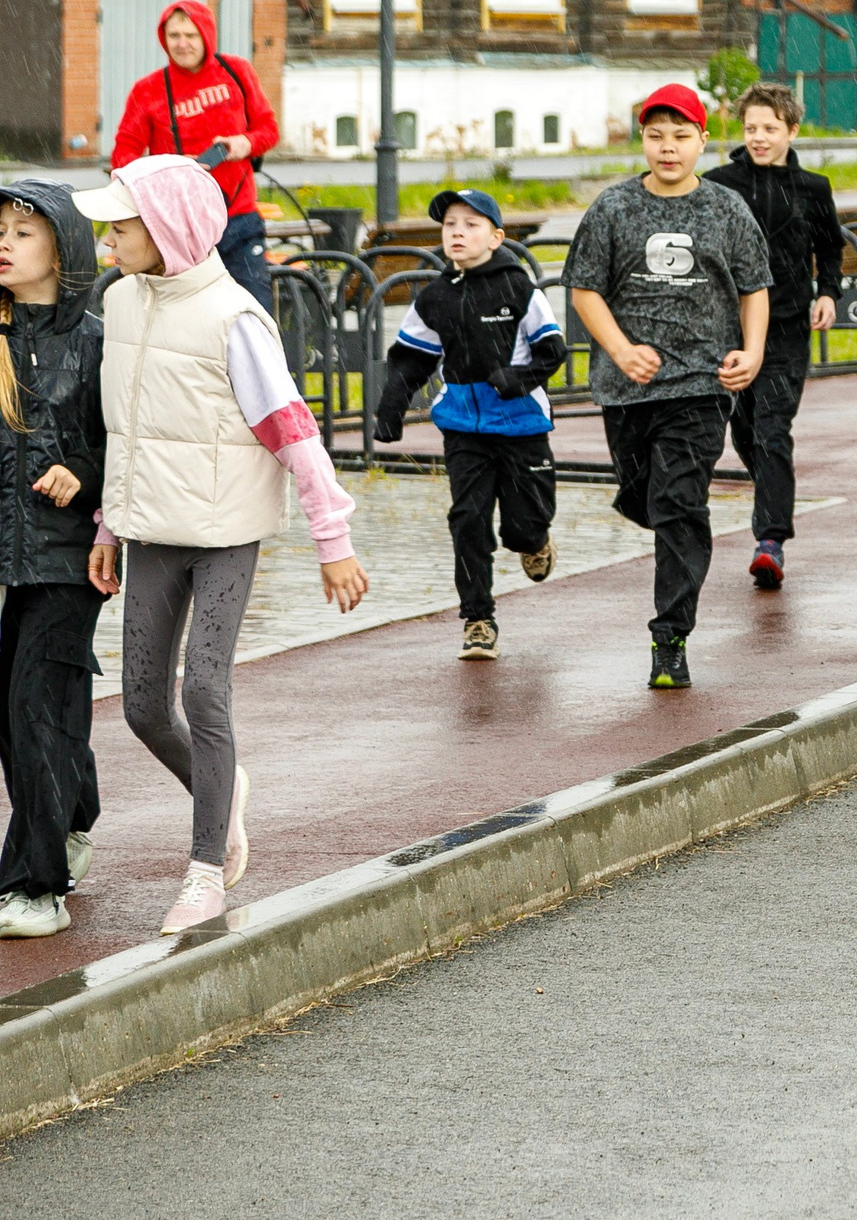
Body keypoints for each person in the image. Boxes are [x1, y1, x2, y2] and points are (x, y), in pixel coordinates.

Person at [77, 156, 369, 935]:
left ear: (168, 229)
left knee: (204, 688)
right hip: (153, 530)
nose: (109, 239)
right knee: (142, 704)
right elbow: (123, 429)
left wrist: (331, 537)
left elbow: (292, 431)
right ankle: (223, 784)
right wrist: (110, 523)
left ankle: (206, 871)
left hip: (226, 531)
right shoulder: (122, 301)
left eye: (122, 225)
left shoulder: (234, 316)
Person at [565, 83, 771, 691]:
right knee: (645, 497)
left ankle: (670, 637)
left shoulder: (726, 209)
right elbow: (584, 288)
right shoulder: (612, 208)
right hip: (627, 388)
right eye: (656, 136)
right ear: (643, 141)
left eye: (681, 136)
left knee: (680, 503)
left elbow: (753, 287)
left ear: (702, 140)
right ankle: (666, 522)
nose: (668, 147)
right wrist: (621, 350)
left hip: (702, 383)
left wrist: (752, 352)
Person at [371, 190, 565, 659]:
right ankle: (478, 619)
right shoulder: (434, 297)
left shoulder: (520, 288)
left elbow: (552, 350)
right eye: (450, 224)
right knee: (468, 520)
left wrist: (516, 380)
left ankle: (534, 539)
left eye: (471, 224)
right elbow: (409, 360)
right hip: (464, 429)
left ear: (497, 237)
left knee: (523, 522)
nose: (457, 232)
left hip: (522, 425)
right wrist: (391, 408)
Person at [0, 184, 107, 941]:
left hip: (73, 560)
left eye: (23, 233)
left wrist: (86, 476)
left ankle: (38, 884)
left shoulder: (100, 341)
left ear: (63, 250)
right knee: (19, 714)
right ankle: (73, 813)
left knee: (32, 707)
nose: (5, 243)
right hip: (10, 559)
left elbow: (131, 444)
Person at [704, 83, 844, 591]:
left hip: (786, 327)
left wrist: (828, 292)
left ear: (792, 130)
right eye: (750, 129)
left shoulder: (813, 187)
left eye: (769, 128)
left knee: (772, 429)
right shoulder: (717, 185)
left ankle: (770, 540)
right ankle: (773, 494)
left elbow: (830, 248)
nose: (759, 138)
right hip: (728, 328)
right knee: (744, 433)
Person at [108, 0, 281, 311]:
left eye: (191, 34)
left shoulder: (237, 71)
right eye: (174, 36)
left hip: (238, 217)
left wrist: (241, 144)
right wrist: (170, 169)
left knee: (254, 312)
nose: (182, 44)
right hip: (179, 224)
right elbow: (124, 153)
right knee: (186, 315)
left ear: (206, 35)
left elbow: (268, 129)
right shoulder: (148, 90)